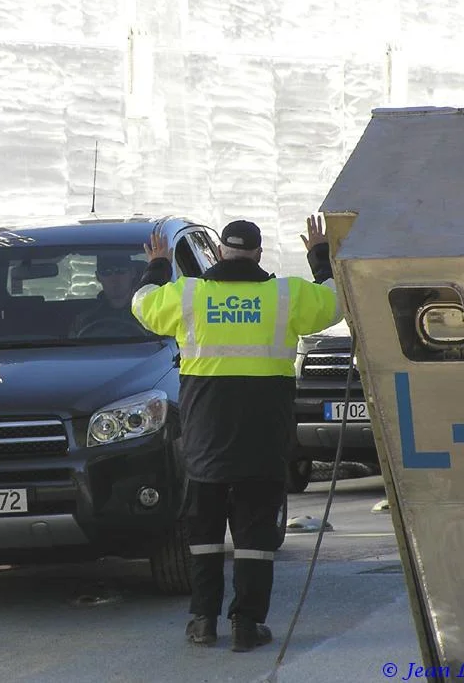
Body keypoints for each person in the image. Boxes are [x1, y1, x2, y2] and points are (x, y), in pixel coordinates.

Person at [130, 215, 343, 652]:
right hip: (263, 439)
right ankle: (247, 626)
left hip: (207, 435)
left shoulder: (189, 295)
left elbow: (143, 305)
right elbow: (336, 301)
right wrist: (319, 257)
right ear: (259, 254)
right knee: (255, 537)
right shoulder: (286, 295)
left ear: (222, 252)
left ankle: (203, 621)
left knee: (205, 533)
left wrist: (157, 264)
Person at [69, 253, 144, 337]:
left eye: (121, 271)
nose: (114, 278)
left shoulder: (149, 313)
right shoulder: (85, 320)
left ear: (133, 273)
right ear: (98, 277)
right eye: (106, 272)